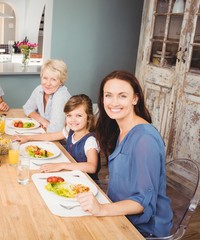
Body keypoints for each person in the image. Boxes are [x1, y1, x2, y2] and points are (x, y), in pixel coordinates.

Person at [76, 70, 173, 237]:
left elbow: (142, 202)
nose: (114, 102)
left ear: (135, 98)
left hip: (143, 230)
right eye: (108, 95)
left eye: (122, 96)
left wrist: (101, 209)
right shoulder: (119, 129)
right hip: (118, 211)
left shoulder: (145, 140)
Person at [16, 94, 100, 180]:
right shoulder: (70, 130)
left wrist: (61, 165)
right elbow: (52, 136)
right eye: (69, 115)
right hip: (69, 175)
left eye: (79, 115)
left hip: (85, 182)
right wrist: (28, 138)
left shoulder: (90, 140)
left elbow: (92, 167)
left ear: (89, 117)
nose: (73, 119)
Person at [23, 59, 71, 132]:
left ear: (61, 81)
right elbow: (27, 108)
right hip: (45, 133)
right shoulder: (39, 89)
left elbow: (56, 130)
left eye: (53, 79)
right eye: (45, 78)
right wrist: (43, 121)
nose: (48, 83)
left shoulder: (60, 96)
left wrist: (46, 125)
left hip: (61, 141)